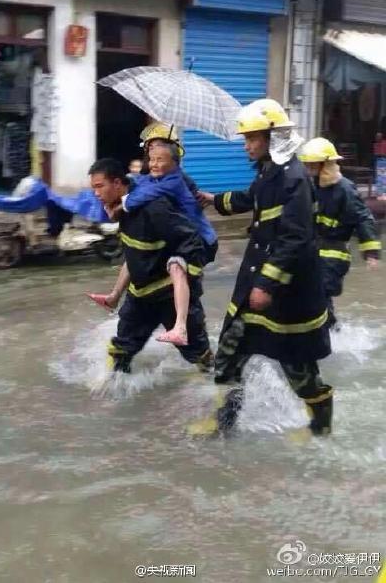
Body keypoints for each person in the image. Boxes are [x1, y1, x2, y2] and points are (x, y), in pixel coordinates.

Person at [197, 99, 333, 437]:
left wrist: (267, 284)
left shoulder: (294, 177)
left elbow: (296, 238)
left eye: (252, 138)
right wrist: (213, 199)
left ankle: (320, 425)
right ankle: (224, 422)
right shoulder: (270, 172)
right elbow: (250, 199)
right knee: (230, 352)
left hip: (286, 292)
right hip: (255, 283)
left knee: (297, 366)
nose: (246, 145)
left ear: (272, 136)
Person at [89, 158, 214, 374]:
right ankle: (110, 396)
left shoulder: (154, 208)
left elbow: (190, 241)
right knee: (120, 351)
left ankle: (222, 394)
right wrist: (115, 294)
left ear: (118, 184)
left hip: (168, 296)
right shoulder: (124, 208)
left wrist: (186, 277)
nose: (96, 194)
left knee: (200, 355)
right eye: (93, 188)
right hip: (139, 296)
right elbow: (134, 254)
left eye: (100, 187)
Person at [122, 139, 217, 346]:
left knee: (176, 266)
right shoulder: (158, 178)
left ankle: (180, 327)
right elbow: (141, 182)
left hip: (199, 241)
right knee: (135, 251)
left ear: (174, 163)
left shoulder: (172, 182)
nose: (154, 164)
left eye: (160, 160)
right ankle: (113, 295)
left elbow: (135, 199)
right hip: (180, 237)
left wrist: (123, 201)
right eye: (151, 159)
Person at [299, 137, 381, 331]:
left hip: (334, 254)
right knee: (313, 295)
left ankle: (329, 334)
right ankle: (331, 332)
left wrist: (371, 253)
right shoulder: (314, 185)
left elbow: (363, 218)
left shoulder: (344, 188)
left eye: (312, 164)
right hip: (315, 251)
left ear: (324, 164)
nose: (308, 168)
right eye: (307, 164)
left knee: (320, 294)